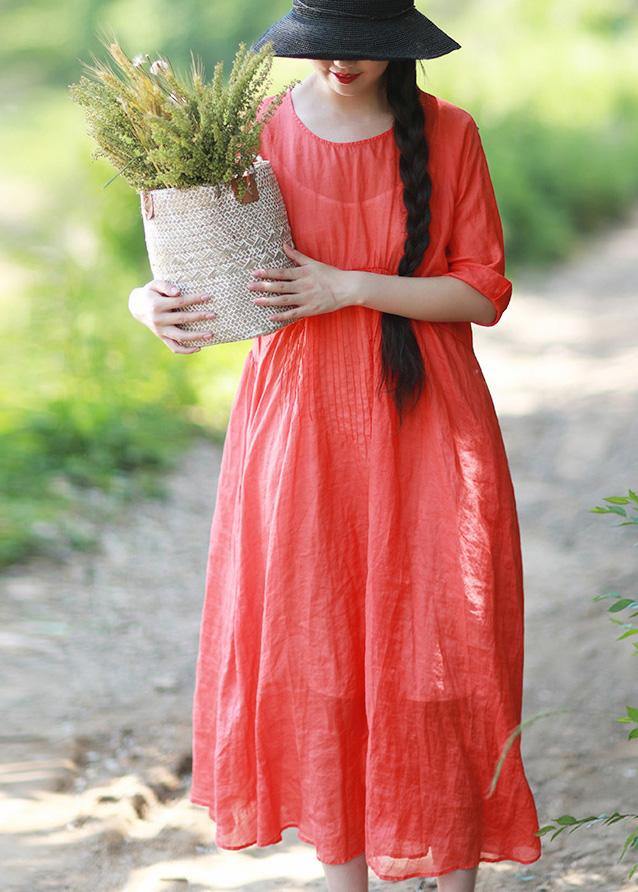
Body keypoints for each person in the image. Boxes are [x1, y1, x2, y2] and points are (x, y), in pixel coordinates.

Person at [128, 1, 543, 889]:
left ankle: (453, 870)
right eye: (321, 47)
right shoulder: (258, 128)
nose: (338, 63)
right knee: (316, 651)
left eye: (359, 45)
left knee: (441, 647)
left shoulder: (450, 132)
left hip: (427, 413)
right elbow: (195, 271)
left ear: (400, 44)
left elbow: (483, 292)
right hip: (299, 422)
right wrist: (146, 305)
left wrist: (349, 286)